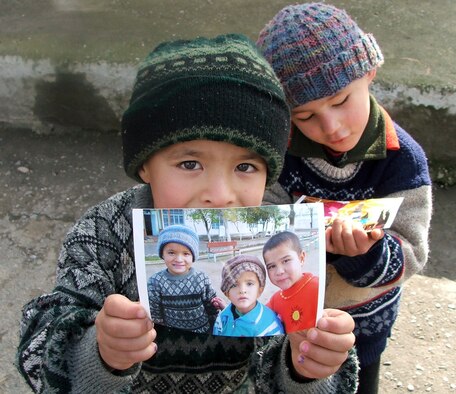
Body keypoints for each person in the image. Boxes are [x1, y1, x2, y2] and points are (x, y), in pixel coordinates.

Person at [17, 34, 359, 393]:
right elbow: (41, 347)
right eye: (190, 163)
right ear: (145, 166)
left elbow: (281, 357)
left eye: (245, 167)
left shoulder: (273, 244)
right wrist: (101, 353)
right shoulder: (103, 231)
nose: (220, 195)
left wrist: (307, 365)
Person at [256, 3, 433, 393]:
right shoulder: (278, 153)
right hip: (291, 320)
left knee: (359, 383)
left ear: (369, 71)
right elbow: (261, 216)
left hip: (364, 323)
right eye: (305, 116)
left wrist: (365, 253)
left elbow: (412, 253)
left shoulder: (403, 159)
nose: (331, 127)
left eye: (340, 101)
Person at [148, 224, 220, 333]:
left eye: (186, 254)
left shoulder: (201, 278)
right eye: (171, 253)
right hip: (173, 337)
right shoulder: (155, 282)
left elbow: (211, 307)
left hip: (203, 332)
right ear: (162, 254)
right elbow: (155, 313)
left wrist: (213, 329)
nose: (179, 259)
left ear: (193, 256)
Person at [213, 254, 284, 337]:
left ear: (260, 289)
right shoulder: (223, 318)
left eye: (249, 284)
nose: (242, 290)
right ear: (227, 293)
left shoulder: (270, 324)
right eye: (234, 285)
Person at [262, 231, 319, 333]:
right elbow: (257, 316)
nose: (279, 271)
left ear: (301, 258)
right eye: (272, 266)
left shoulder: (318, 288)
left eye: (286, 261)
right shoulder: (275, 299)